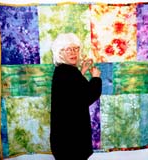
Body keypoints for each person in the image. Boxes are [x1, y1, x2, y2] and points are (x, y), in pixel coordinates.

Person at [50, 32, 102, 160]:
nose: (73, 52)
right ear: (60, 53)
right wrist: (95, 78)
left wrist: (82, 72)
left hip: (65, 138)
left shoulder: (63, 70)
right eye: (68, 49)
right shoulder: (69, 73)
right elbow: (87, 96)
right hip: (72, 140)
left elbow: (73, 93)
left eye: (75, 49)